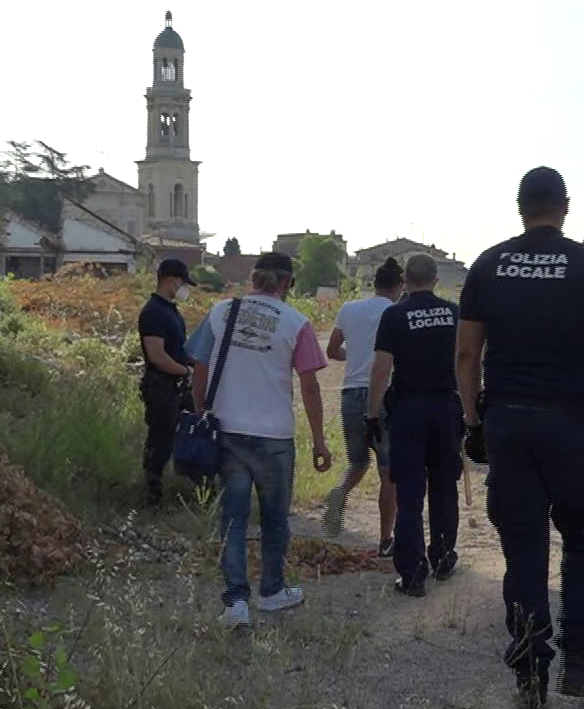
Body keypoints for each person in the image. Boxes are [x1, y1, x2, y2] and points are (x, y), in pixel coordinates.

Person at [455, 166, 584, 709]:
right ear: (564, 206)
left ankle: (528, 673)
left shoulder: (488, 264)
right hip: (576, 427)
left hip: (511, 424)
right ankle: (577, 662)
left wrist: (473, 422)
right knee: (583, 541)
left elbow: (467, 355)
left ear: (520, 207)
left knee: (523, 550)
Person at [184, 253, 333, 627]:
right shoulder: (296, 323)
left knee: (233, 518)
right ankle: (272, 591)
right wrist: (318, 440)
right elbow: (310, 386)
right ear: (288, 284)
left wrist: (202, 412)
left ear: (252, 279)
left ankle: (235, 602)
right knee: (274, 519)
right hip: (274, 437)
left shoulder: (220, 313)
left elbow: (198, 367)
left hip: (228, 431)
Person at [364, 253, 462, 597]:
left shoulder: (395, 315)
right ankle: (444, 556)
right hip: (447, 408)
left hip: (409, 410)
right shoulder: (453, 313)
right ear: (436, 280)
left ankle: (412, 571)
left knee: (409, 492)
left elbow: (381, 370)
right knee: (444, 487)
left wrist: (372, 415)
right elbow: (468, 360)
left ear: (405, 281)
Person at [322, 257, 404, 555]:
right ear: (399, 286)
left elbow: (332, 350)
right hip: (383, 395)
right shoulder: (397, 312)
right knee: (388, 472)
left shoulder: (349, 309)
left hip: (351, 393)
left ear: (374, 283)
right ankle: (385, 540)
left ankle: (340, 492)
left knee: (358, 462)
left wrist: (355, 357)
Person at [137, 258, 198, 509]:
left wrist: (196, 364)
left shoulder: (171, 310)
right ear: (172, 280)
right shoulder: (153, 312)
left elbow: (177, 350)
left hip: (178, 386)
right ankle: (153, 497)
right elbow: (157, 355)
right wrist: (185, 371)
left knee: (192, 435)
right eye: (184, 283)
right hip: (161, 386)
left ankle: (193, 489)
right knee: (159, 442)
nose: (186, 289)